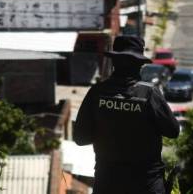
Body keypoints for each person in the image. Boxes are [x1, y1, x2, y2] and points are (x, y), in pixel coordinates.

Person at [74, 35, 180, 194]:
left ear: (114, 62)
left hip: (107, 183)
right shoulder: (149, 94)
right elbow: (173, 131)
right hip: (146, 185)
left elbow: (80, 138)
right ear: (139, 65)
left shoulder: (97, 92)